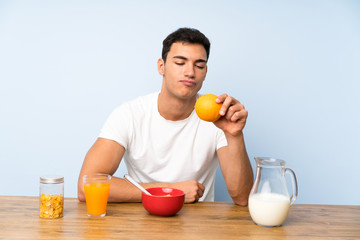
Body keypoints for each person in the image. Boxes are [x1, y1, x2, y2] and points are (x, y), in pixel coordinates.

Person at [77, 27, 253, 206]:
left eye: (199, 65)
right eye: (180, 63)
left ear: (205, 72)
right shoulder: (129, 114)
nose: (190, 72)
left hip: (199, 227)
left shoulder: (218, 118)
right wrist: (169, 191)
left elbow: (243, 198)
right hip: (142, 223)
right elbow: (86, 186)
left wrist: (234, 135)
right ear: (161, 67)